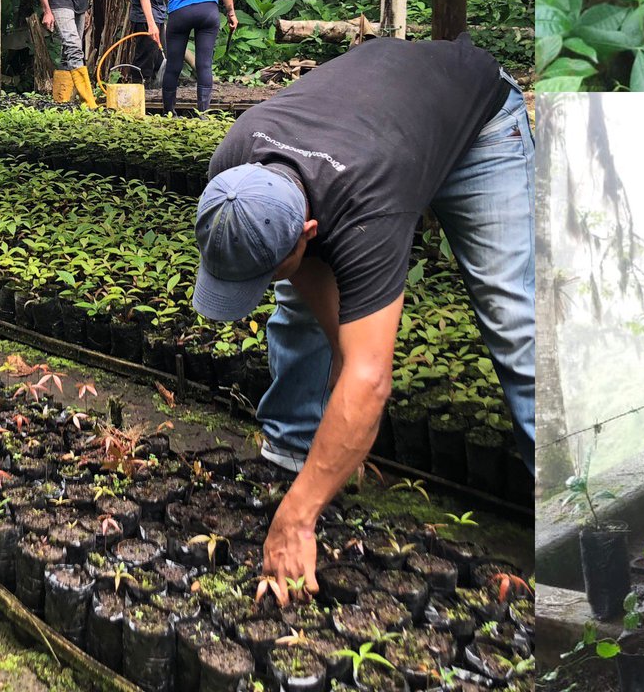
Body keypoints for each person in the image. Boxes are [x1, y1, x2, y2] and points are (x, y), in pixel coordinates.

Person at [189, 35, 534, 603]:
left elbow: (371, 376)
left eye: (270, 267)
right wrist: (341, 425)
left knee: (516, 322)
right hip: (380, 119)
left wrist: (299, 519)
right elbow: (307, 279)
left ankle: (575, 510)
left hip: (477, 124)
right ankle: (296, 454)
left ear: (309, 232)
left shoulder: (368, 205)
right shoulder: (235, 161)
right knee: (299, 308)